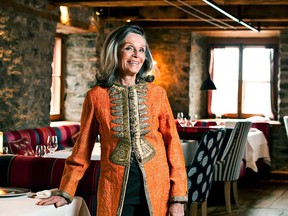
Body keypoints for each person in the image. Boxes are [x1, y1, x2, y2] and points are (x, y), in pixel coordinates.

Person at [37, 25, 188, 216]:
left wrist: (178, 197)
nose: (136, 55)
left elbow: (173, 146)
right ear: (115, 51)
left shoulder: (157, 94)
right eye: (129, 48)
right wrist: (65, 192)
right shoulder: (95, 97)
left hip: (157, 189)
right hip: (113, 191)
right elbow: (81, 150)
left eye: (141, 50)